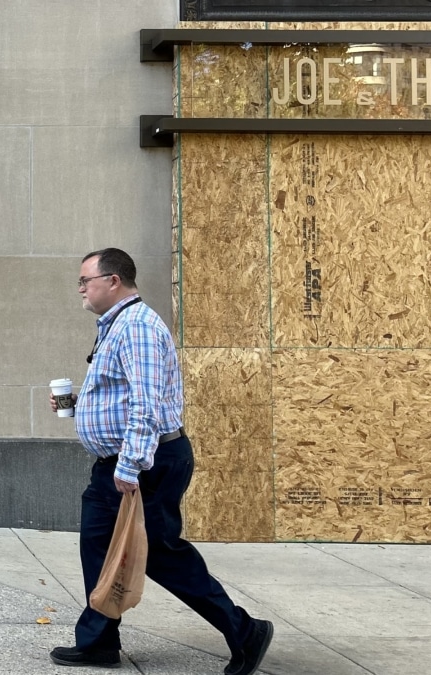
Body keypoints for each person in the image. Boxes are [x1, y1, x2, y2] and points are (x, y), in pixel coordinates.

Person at [48, 248, 272, 675]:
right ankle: (98, 641)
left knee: (162, 554)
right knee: (96, 542)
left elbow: (147, 405)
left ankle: (245, 631)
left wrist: (130, 466)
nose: (80, 288)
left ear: (113, 281)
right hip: (118, 463)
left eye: (85, 280)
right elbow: (122, 397)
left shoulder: (137, 328)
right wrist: (79, 406)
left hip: (146, 463)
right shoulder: (116, 326)